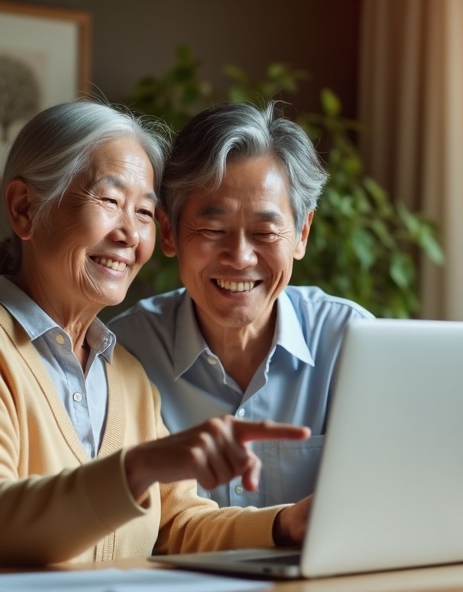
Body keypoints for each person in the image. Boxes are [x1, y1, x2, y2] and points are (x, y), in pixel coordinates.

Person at [0, 100, 313, 572]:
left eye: (145, 213)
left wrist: (285, 524)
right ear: (24, 208)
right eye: (110, 202)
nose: (130, 234)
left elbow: (177, 526)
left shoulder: (127, 373)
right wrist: (135, 470)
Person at [108, 101, 373, 509]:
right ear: (169, 232)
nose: (241, 257)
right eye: (214, 229)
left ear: (301, 233)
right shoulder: (126, 352)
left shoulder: (354, 343)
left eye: (265, 232)